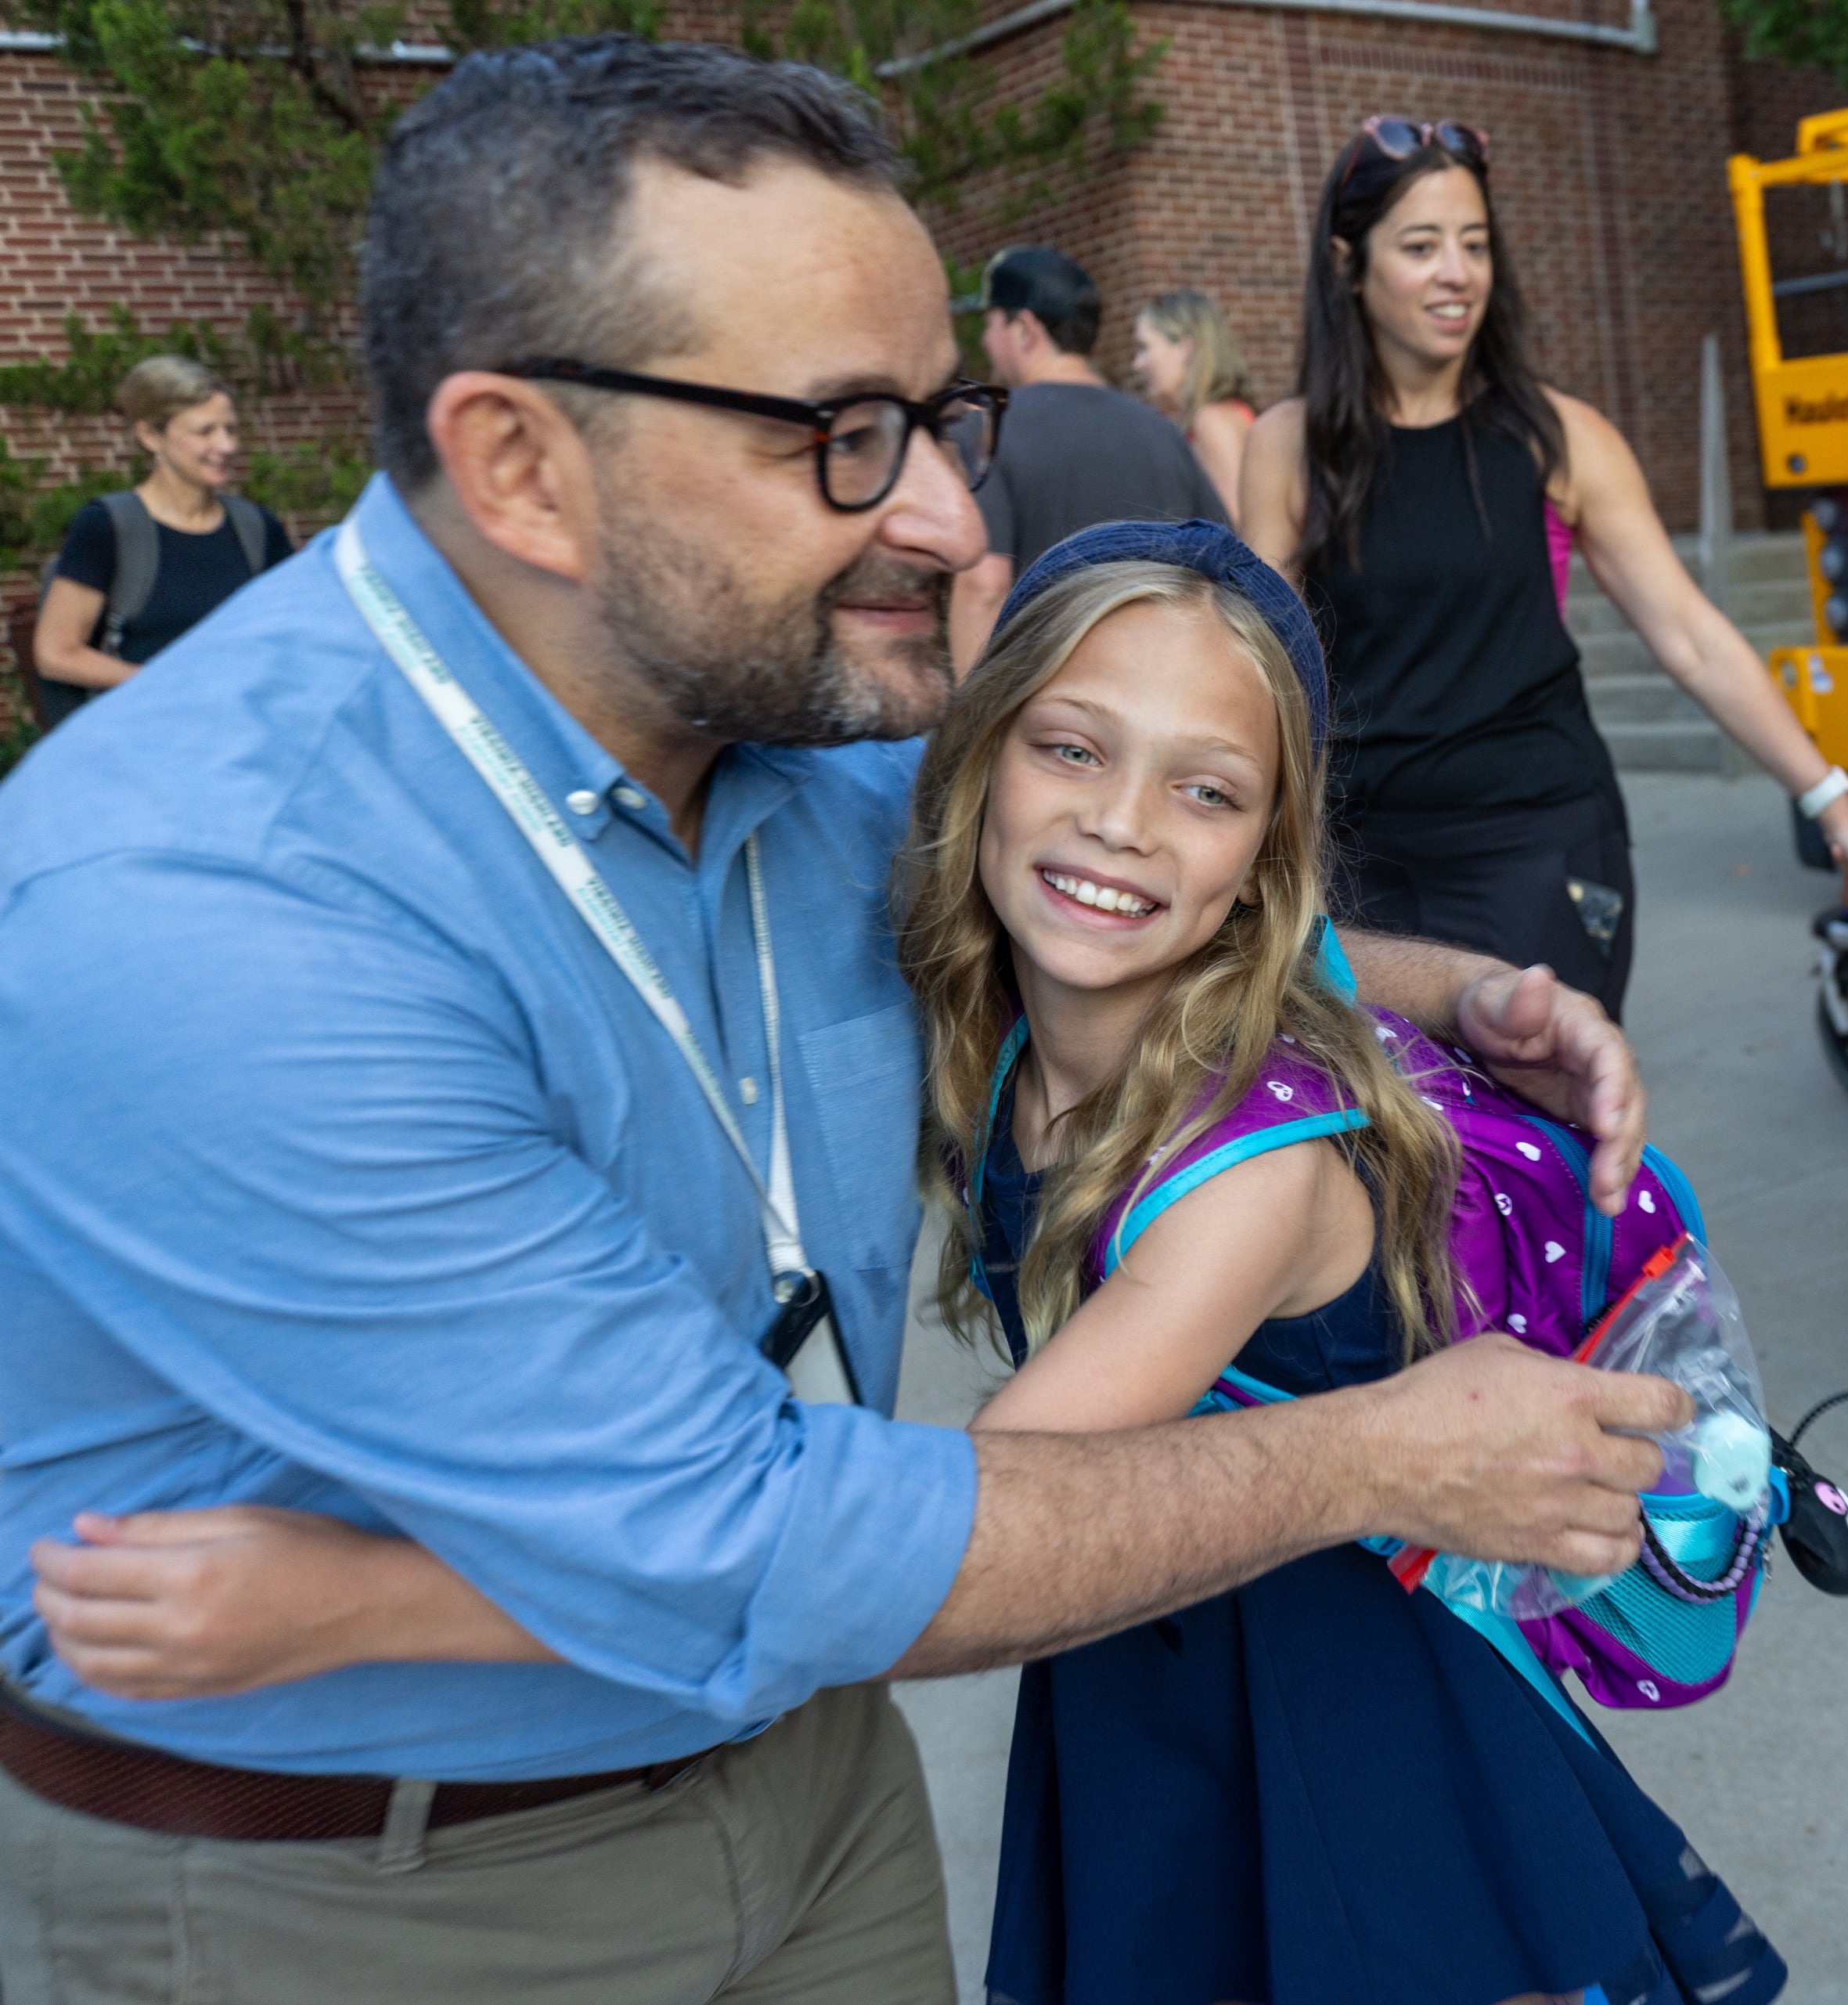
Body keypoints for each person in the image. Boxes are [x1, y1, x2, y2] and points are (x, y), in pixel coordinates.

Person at [0, 41, 1683, 2004]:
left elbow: (1103, 906)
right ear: (523, 463)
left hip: (809, 1782)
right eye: (848, 433)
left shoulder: (795, 732)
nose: (955, 520)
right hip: (381, 1884)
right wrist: (1374, 1455)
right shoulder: (223, 917)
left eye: (941, 416)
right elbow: (748, 1540)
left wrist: (1450, 988)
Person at [1239, 115, 1848, 1019]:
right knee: (1380, 1151)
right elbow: (1255, 665)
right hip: (1360, 864)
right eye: (1421, 246)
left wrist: (1833, 803)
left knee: (1539, 1142)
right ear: (1350, 264)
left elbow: (1692, 637)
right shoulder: (1287, 447)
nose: (1458, 272)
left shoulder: (1559, 437)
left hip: (1537, 846)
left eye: (1474, 243)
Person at [949, 246, 1228, 660]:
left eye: (990, 323)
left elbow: (983, 587)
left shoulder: (990, 431)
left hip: (1050, 703)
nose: (987, 342)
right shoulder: (1161, 431)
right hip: (1159, 688)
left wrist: (972, 717)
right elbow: (1224, 566)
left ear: (1025, 329)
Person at [27, 355, 296, 725]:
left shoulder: (257, 528)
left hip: (245, 739)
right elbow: (56, 654)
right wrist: (172, 687)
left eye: (230, 430)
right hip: (146, 747)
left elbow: (291, 635)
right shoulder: (108, 527)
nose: (226, 446)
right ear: (150, 436)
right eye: (204, 432)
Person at [1130, 286, 1259, 522]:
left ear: (1185, 347)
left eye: (1144, 348)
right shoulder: (1206, 418)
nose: (1137, 364)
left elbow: (1244, 528)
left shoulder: (1212, 421)